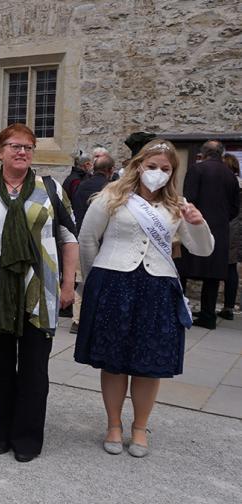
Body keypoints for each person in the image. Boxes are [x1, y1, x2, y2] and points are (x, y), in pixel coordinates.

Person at [75, 140, 214, 457]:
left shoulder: (177, 205)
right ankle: (113, 424)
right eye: (152, 166)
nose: (157, 173)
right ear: (138, 165)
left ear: (172, 173)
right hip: (114, 284)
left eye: (165, 169)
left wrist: (198, 223)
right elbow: (87, 239)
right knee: (113, 361)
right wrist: (94, 281)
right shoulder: (112, 196)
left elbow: (203, 249)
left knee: (149, 363)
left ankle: (139, 427)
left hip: (157, 290)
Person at [0, 123, 78, 463]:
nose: (22, 152)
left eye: (28, 147)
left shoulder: (50, 189)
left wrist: (68, 284)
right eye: (15, 146)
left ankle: (28, 437)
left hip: (40, 291)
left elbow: (69, 237)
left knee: (34, 369)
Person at [178, 140, 240, 329]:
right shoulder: (230, 175)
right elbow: (234, 208)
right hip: (220, 229)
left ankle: (180, 308)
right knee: (212, 276)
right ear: (221, 154)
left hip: (196, 226)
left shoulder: (197, 170)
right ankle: (208, 314)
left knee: (183, 269)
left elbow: (189, 199)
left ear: (203, 153)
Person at [69, 154, 116, 334]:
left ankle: (77, 320)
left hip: (80, 235)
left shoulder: (81, 186)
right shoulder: (109, 189)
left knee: (81, 281)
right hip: (102, 240)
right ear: (111, 170)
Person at [221, 153, 242, 319]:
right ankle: (228, 306)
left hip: (229, 226)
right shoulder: (239, 182)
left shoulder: (227, 183)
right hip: (237, 227)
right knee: (231, 266)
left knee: (227, 265)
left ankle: (226, 307)